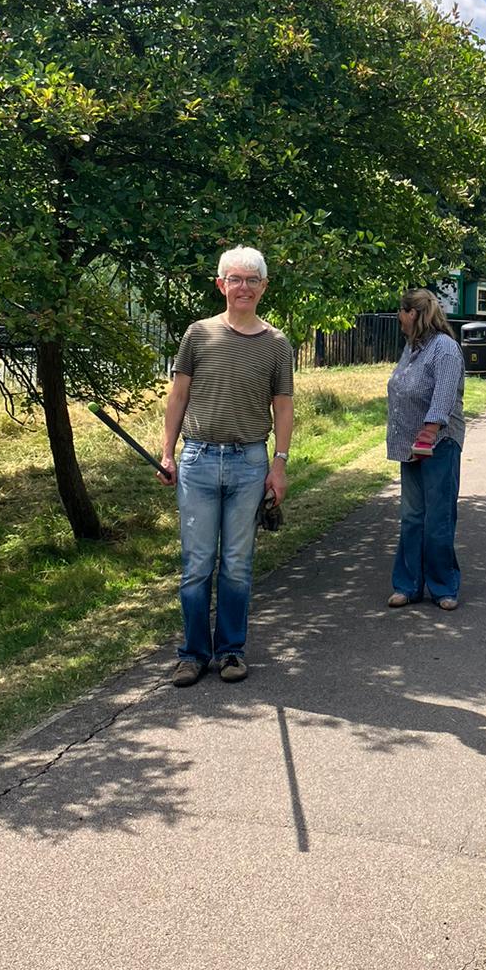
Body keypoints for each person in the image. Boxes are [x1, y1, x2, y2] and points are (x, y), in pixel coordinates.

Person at [158, 245, 294, 687]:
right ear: (221, 285)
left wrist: (279, 464)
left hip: (249, 462)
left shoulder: (277, 344)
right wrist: (167, 452)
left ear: (264, 287)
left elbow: (283, 408)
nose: (243, 288)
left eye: (252, 280)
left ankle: (231, 650)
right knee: (197, 564)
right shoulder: (198, 334)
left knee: (237, 563)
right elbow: (178, 396)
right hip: (198, 460)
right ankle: (193, 654)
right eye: (235, 279)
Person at [386, 289, 466, 612]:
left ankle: (443, 586)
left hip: (438, 444)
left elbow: (444, 395)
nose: (399, 318)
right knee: (411, 516)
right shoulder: (412, 347)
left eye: (402, 311)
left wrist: (429, 432)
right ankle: (407, 585)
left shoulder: (444, 348)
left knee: (438, 517)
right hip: (410, 445)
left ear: (414, 314)